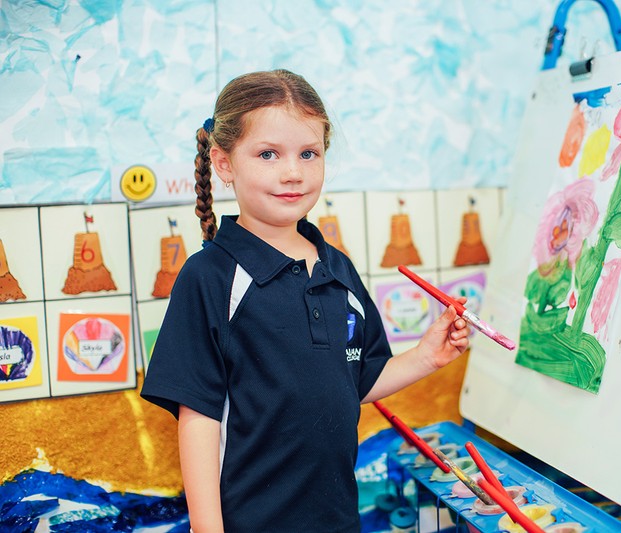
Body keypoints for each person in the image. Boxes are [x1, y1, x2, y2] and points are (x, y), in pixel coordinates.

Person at [140, 69, 470, 533]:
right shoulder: (209, 277)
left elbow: (354, 380)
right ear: (224, 162)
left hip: (336, 519)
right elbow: (198, 417)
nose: (293, 172)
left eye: (308, 153)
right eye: (268, 154)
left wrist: (426, 357)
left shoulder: (338, 269)